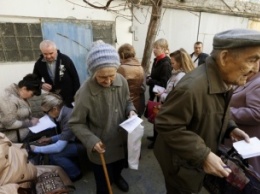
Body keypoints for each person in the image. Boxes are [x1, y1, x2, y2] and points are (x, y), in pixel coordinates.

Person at [154, 28, 260, 194]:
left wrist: (230, 127)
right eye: (252, 60)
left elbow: (213, 110)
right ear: (224, 58)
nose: (256, 69)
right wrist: (204, 155)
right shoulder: (192, 88)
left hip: (192, 162)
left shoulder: (224, 79)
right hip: (181, 166)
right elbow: (166, 125)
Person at [69, 40, 136, 194]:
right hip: (101, 146)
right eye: (102, 77)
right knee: (103, 184)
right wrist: (91, 141)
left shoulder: (122, 81)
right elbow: (75, 123)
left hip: (121, 140)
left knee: (119, 166)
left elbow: (127, 101)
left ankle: (118, 177)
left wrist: (130, 110)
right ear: (93, 72)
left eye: (111, 75)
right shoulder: (84, 93)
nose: (108, 81)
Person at [30, 93, 83, 181]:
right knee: (52, 148)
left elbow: (59, 147)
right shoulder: (66, 112)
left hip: (84, 145)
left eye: (46, 112)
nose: (46, 115)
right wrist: (51, 139)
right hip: (77, 141)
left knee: (54, 155)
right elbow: (67, 134)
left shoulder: (69, 117)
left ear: (55, 109)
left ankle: (75, 174)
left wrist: (35, 149)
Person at [229, 63, 260, 173]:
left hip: (247, 141)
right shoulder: (247, 78)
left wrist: (227, 112)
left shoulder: (257, 83)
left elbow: (257, 113)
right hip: (237, 138)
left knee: (248, 177)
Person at [33, 40, 80, 107]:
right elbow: (34, 79)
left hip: (69, 96)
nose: (48, 56)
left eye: (51, 53)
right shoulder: (39, 63)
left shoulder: (65, 59)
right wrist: (41, 84)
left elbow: (75, 78)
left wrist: (77, 96)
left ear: (56, 50)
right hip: (53, 99)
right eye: (45, 54)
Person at [146, 38, 172, 149]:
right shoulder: (156, 60)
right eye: (154, 47)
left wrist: (151, 81)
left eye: (157, 48)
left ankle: (157, 141)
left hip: (160, 95)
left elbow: (163, 83)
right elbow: (154, 76)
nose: (154, 50)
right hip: (154, 93)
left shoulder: (165, 63)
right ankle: (154, 136)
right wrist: (149, 78)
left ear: (164, 49)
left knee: (158, 117)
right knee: (154, 116)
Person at [0, 73, 42, 142]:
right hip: (8, 135)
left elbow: (22, 113)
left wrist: (31, 118)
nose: (32, 97)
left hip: (19, 130)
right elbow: (10, 124)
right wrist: (30, 123)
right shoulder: (8, 99)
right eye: (32, 94)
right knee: (49, 130)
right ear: (24, 88)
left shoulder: (18, 93)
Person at [117, 43, 146, 117]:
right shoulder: (140, 67)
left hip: (126, 106)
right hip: (139, 103)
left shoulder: (121, 68)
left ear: (122, 55)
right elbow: (143, 88)